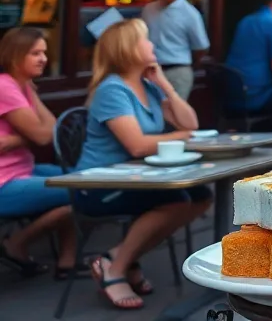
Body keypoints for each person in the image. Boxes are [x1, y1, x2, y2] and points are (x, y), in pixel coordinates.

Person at [76, 19, 211, 311]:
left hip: (136, 178)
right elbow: (136, 145)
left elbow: (191, 123)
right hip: (96, 184)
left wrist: (165, 85)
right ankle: (116, 268)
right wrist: (182, 137)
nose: (153, 45)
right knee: (176, 201)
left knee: (200, 197)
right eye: (146, 40)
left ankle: (118, 256)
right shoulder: (112, 90)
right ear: (128, 49)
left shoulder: (147, 86)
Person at [0, 27, 76, 279]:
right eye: (35, 53)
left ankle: (67, 261)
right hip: (4, 182)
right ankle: (17, 243)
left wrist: (14, 140)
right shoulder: (5, 87)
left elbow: (50, 128)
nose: (43, 58)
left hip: (22, 170)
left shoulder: (21, 86)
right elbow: (43, 136)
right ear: (15, 55)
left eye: (44, 52)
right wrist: (25, 137)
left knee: (81, 178)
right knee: (79, 188)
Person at [141, 0, 209, 100]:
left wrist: (187, 64)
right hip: (151, 71)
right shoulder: (149, 10)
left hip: (177, 72)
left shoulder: (190, 14)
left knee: (173, 115)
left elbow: (201, 47)